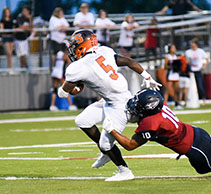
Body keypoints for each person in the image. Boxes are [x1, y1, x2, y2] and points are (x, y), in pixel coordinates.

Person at [57, 29, 161, 181]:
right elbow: (130, 62)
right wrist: (147, 76)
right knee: (82, 121)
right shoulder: (104, 51)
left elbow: (64, 92)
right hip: (112, 100)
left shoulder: (77, 67)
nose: (72, 50)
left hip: (119, 106)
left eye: (74, 46)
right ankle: (106, 153)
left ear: (82, 45)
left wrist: (64, 90)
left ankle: (124, 171)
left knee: (106, 144)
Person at [50, 44, 77, 112]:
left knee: (54, 89)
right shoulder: (66, 55)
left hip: (55, 72)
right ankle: (71, 105)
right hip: (60, 74)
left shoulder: (58, 53)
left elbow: (54, 62)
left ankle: (52, 106)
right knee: (66, 89)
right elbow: (69, 64)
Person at [185, 39, 208, 105]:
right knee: (190, 86)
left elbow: (206, 59)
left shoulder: (201, 51)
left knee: (200, 86)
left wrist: (204, 65)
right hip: (191, 71)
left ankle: (203, 99)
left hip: (198, 70)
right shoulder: (188, 52)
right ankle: (189, 100)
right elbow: (186, 62)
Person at [163, 44, 182, 109]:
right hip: (170, 74)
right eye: (173, 48)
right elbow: (165, 67)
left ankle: (177, 104)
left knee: (176, 90)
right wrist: (171, 66)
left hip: (176, 74)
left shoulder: (176, 57)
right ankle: (164, 105)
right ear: (170, 49)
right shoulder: (167, 57)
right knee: (168, 90)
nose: (174, 49)